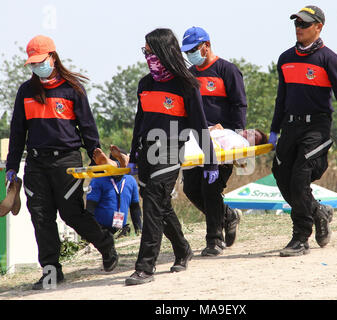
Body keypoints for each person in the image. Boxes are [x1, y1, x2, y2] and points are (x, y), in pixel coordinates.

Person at [5, 35, 118, 290]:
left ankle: (105, 244)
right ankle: (51, 271)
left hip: (67, 161)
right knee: (41, 217)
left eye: (40, 61)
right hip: (35, 164)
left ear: (53, 58)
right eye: (32, 63)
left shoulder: (73, 89)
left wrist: (96, 156)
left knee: (72, 214)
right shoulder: (25, 91)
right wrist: (11, 167)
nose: (36, 67)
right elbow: (17, 132)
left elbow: (88, 128)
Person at [269, 6, 337, 257]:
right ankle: (318, 212)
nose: (299, 28)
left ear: (318, 27)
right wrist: (274, 130)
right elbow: (282, 97)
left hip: (317, 127)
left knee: (300, 177)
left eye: (304, 24)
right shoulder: (285, 58)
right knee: (280, 174)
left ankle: (300, 238)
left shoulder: (329, 59)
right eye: (296, 24)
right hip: (290, 126)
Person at [124, 28, 219, 286]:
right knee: (161, 205)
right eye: (145, 52)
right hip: (146, 152)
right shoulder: (145, 84)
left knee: (153, 206)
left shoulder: (187, 84)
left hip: (169, 150)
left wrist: (210, 160)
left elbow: (199, 126)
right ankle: (182, 249)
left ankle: (145, 267)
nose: (147, 57)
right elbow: (139, 122)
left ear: (165, 52)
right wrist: (132, 156)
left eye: (151, 52)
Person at [180, 27, 247, 256]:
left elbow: (239, 105)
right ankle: (228, 215)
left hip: (221, 142)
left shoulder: (227, 70)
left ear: (206, 45)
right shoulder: (188, 76)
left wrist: (232, 133)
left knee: (211, 188)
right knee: (190, 188)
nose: (190, 54)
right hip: (194, 141)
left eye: (193, 49)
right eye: (186, 51)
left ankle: (214, 241)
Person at [88, 147, 143, 236]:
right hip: (101, 230)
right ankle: (118, 161)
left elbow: (135, 208)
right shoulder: (98, 180)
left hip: (121, 230)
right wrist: (89, 234)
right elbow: (90, 209)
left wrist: (139, 231)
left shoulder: (130, 181)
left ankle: (121, 160)